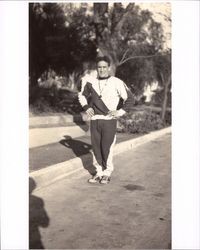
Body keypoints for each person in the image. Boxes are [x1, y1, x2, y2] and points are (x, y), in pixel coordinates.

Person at [78, 56, 133, 184]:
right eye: (99, 67)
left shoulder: (116, 82)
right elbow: (81, 95)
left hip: (109, 120)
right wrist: (86, 107)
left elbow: (130, 99)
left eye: (104, 67)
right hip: (95, 120)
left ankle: (107, 173)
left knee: (106, 148)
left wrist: (119, 112)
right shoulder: (91, 82)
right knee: (96, 147)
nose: (102, 70)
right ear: (97, 68)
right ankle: (99, 173)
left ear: (109, 68)